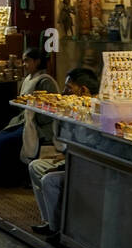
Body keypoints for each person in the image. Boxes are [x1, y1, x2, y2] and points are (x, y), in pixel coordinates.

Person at [0, 48, 60, 186]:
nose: (24, 64)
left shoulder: (45, 82)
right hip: (25, 120)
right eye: (23, 61)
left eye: (27, 61)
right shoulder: (28, 79)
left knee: (6, 141)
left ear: (37, 61)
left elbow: (48, 112)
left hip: (40, 126)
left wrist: (31, 114)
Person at [30, 67, 99, 237]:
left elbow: (88, 152)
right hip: (73, 162)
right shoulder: (75, 110)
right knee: (35, 166)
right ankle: (50, 221)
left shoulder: (95, 112)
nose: (64, 92)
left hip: (89, 169)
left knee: (49, 180)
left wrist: (62, 165)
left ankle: (59, 231)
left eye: (69, 88)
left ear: (83, 90)